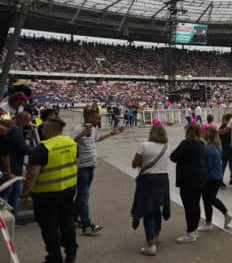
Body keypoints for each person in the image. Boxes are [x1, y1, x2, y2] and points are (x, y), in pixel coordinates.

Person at [19, 116, 78, 263]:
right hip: (68, 191)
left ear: (50, 129)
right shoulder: (71, 142)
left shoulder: (43, 148)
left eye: (43, 127)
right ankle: (71, 252)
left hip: (46, 195)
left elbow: (32, 175)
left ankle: (54, 257)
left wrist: (24, 195)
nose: (42, 129)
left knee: (49, 228)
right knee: (67, 223)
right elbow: (75, 162)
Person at [70, 107, 124, 235]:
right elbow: (70, 142)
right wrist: (82, 133)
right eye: (96, 117)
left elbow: (96, 139)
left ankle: (72, 219)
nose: (99, 118)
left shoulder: (93, 129)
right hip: (82, 167)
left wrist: (112, 133)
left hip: (90, 166)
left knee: (82, 194)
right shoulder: (77, 129)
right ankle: (86, 225)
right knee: (84, 196)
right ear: (88, 117)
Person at [131, 121, 171, 256]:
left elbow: (134, 163)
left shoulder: (144, 145)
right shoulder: (167, 146)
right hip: (163, 180)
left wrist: (144, 162)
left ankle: (150, 245)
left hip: (148, 181)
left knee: (148, 210)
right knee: (157, 209)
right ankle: (156, 235)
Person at [170, 124, 207, 243]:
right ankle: (194, 230)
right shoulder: (201, 144)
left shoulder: (186, 143)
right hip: (200, 177)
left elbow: (173, 157)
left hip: (187, 178)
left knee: (189, 206)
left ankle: (190, 232)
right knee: (195, 204)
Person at [199, 124, 232, 231]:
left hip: (211, 178)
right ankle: (226, 214)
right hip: (217, 176)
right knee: (211, 199)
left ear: (208, 137)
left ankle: (209, 223)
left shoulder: (209, 149)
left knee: (207, 200)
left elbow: (207, 166)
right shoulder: (218, 146)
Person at [2, 111, 34, 220]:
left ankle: (12, 217)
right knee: (14, 192)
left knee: (13, 191)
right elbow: (22, 147)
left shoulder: (17, 128)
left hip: (13, 164)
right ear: (23, 120)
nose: (30, 123)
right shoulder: (15, 130)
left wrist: (26, 130)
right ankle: (13, 218)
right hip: (14, 165)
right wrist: (36, 151)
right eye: (28, 121)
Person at [218, 113, 232, 187]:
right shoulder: (228, 127)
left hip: (223, 147)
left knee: (223, 164)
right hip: (229, 147)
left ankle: (220, 180)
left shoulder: (221, 126)